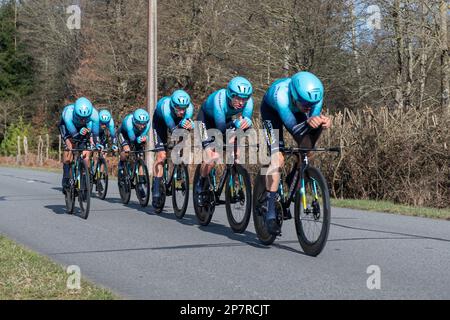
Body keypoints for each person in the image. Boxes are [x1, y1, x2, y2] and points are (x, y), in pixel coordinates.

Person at [261, 71, 332, 235]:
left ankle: (293, 177)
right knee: (277, 158)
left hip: (295, 110)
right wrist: (312, 122)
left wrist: (322, 122)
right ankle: (270, 209)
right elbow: (293, 127)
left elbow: (307, 136)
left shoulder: (313, 98)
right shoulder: (282, 96)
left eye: (311, 105)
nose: (309, 107)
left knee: (307, 151)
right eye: (305, 103)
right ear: (294, 94)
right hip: (272, 113)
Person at [196, 76, 254, 205]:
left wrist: (242, 129)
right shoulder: (219, 100)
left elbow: (242, 127)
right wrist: (234, 127)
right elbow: (221, 130)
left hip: (224, 120)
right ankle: (201, 182)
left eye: (244, 98)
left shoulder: (248, 102)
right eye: (238, 98)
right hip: (206, 121)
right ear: (229, 95)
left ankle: (234, 182)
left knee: (236, 152)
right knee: (212, 157)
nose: (241, 102)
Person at [151, 90, 195, 207]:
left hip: (177, 122)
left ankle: (179, 169)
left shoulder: (189, 109)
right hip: (160, 122)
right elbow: (173, 130)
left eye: (183, 108)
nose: (181, 111)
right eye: (178, 108)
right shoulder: (166, 108)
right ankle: (156, 188)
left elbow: (183, 130)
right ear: (172, 105)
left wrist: (190, 126)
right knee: (162, 156)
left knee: (183, 139)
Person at [59, 97, 101, 192]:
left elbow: (95, 134)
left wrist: (97, 143)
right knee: (70, 147)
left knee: (86, 152)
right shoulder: (68, 114)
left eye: (85, 118)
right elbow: (74, 135)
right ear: (75, 113)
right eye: (80, 117)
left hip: (83, 128)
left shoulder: (94, 115)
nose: (82, 120)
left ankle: (83, 175)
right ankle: (66, 177)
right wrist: (78, 135)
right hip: (67, 127)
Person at [118, 108, 151, 198]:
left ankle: (140, 183)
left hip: (137, 136)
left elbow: (144, 135)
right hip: (125, 135)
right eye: (139, 123)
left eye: (144, 123)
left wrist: (144, 139)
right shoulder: (129, 122)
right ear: (134, 121)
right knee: (127, 150)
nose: (141, 126)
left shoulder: (147, 124)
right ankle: (121, 164)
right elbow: (132, 139)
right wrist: (139, 140)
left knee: (140, 155)